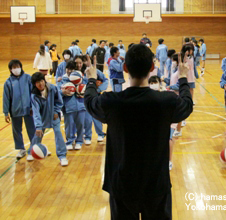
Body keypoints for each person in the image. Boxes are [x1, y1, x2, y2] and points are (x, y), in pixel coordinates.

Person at [84, 44, 193, 219]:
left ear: (125, 68)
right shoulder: (166, 101)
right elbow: (187, 104)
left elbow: (89, 101)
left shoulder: (111, 102)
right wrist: (183, 78)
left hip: (122, 185)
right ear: (152, 68)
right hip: (156, 184)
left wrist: (91, 79)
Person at [27, 72, 68, 166]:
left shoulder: (53, 88)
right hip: (42, 118)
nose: (40, 84)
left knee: (58, 134)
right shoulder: (34, 95)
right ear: (34, 84)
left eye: (41, 81)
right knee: (38, 134)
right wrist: (38, 126)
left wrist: (55, 111)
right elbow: (36, 112)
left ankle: (62, 156)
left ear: (44, 80)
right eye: (37, 82)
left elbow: (59, 102)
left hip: (54, 116)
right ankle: (31, 151)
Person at [3, 60, 35, 159]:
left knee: (31, 129)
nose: (16, 69)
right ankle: (21, 149)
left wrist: (33, 107)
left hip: (28, 109)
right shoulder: (8, 82)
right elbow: (6, 98)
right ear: (11, 69)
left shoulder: (28, 78)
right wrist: (6, 112)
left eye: (17, 66)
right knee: (17, 130)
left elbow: (33, 93)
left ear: (21, 67)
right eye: (13, 67)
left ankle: (33, 148)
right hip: (15, 110)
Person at [60, 61, 85, 150]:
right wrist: (62, 92)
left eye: (72, 69)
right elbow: (57, 93)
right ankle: (69, 141)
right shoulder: (62, 80)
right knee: (69, 125)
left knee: (81, 124)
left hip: (81, 106)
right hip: (69, 107)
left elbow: (87, 88)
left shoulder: (81, 78)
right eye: (68, 69)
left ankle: (79, 141)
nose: (70, 71)